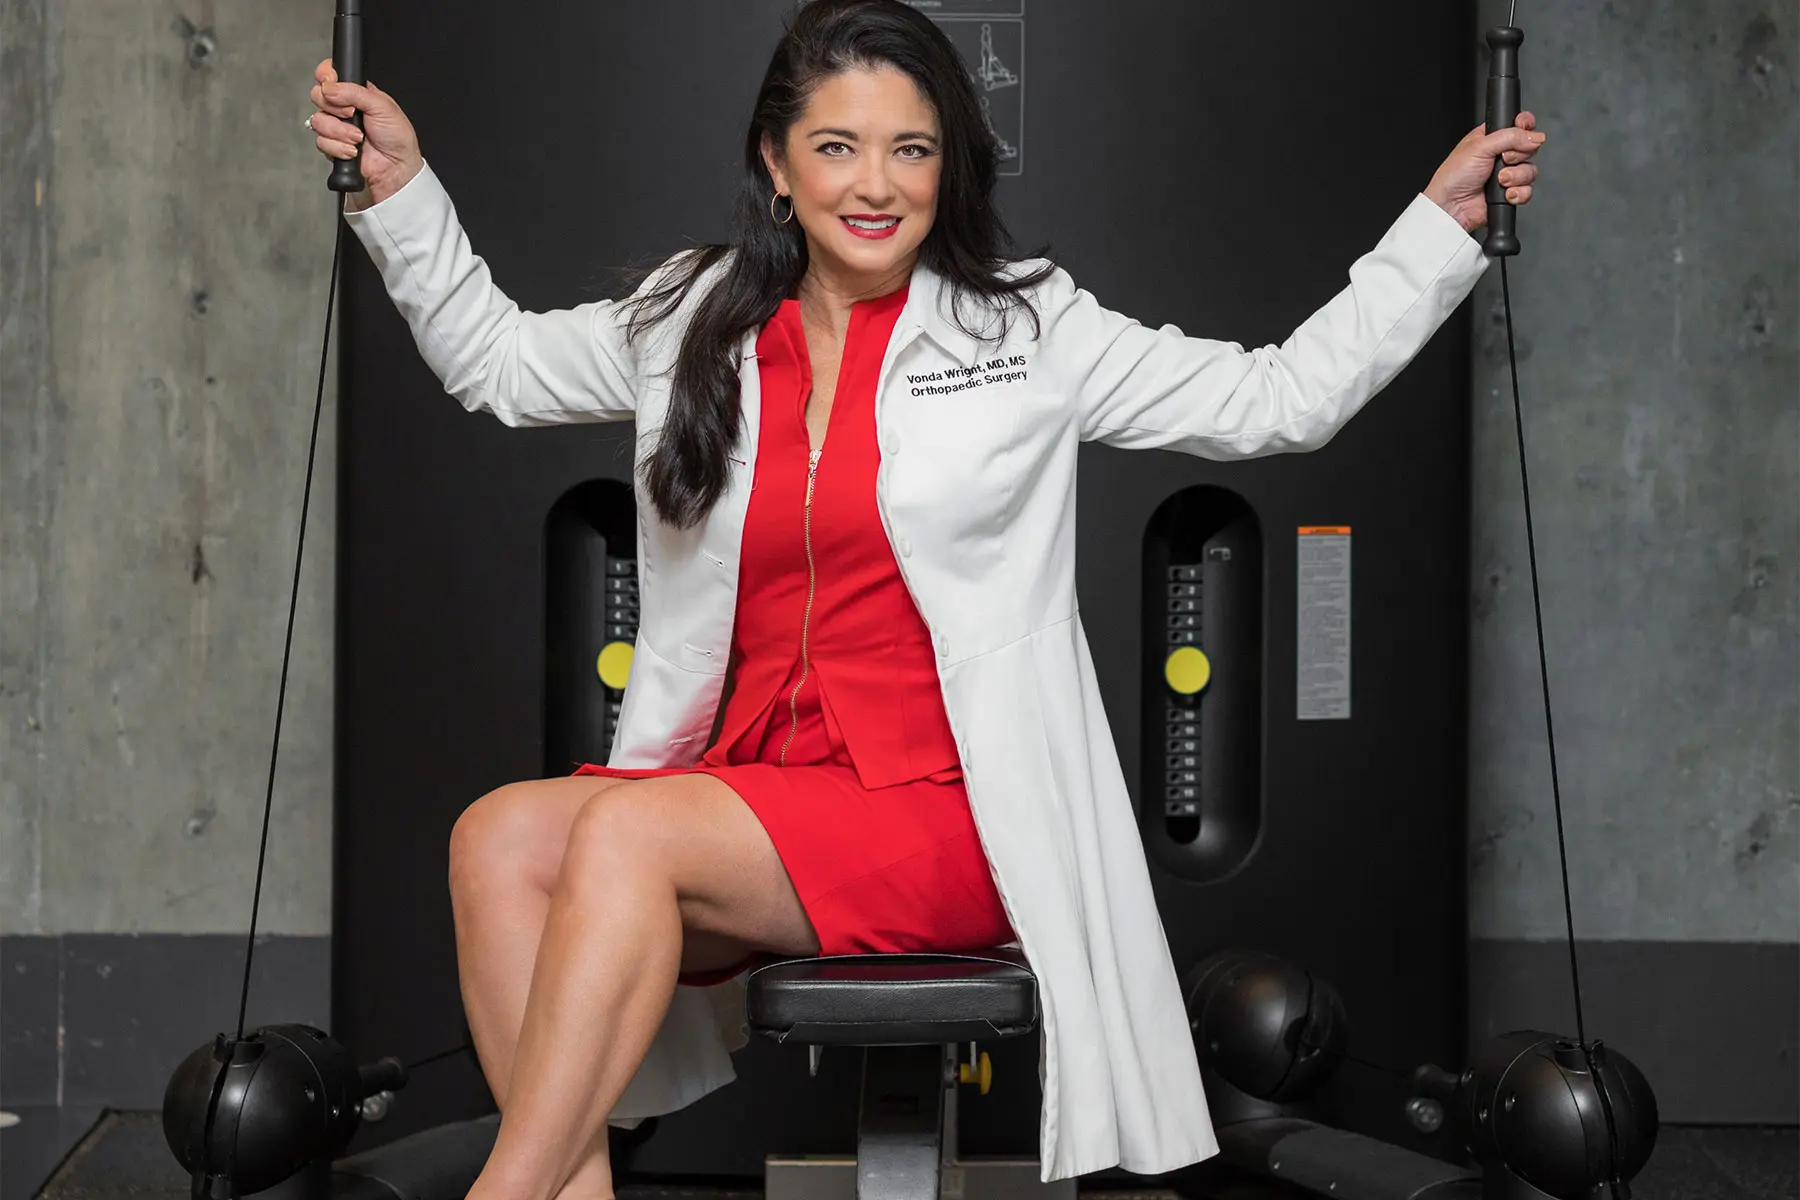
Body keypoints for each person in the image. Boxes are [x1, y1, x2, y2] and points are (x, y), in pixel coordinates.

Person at [308, 1, 1544, 1197]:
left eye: (911, 149)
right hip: (749, 787)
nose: (875, 184)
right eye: (836, 146)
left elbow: (1283, 399)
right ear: (775, 162)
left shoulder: (1028, 327)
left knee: (625, 834)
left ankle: (504, 1194)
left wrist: (1434, 233)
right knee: (496, 841)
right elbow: (500, 364)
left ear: (949, 168)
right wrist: (402, 191)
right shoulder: (692, 316)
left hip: (945, 810)